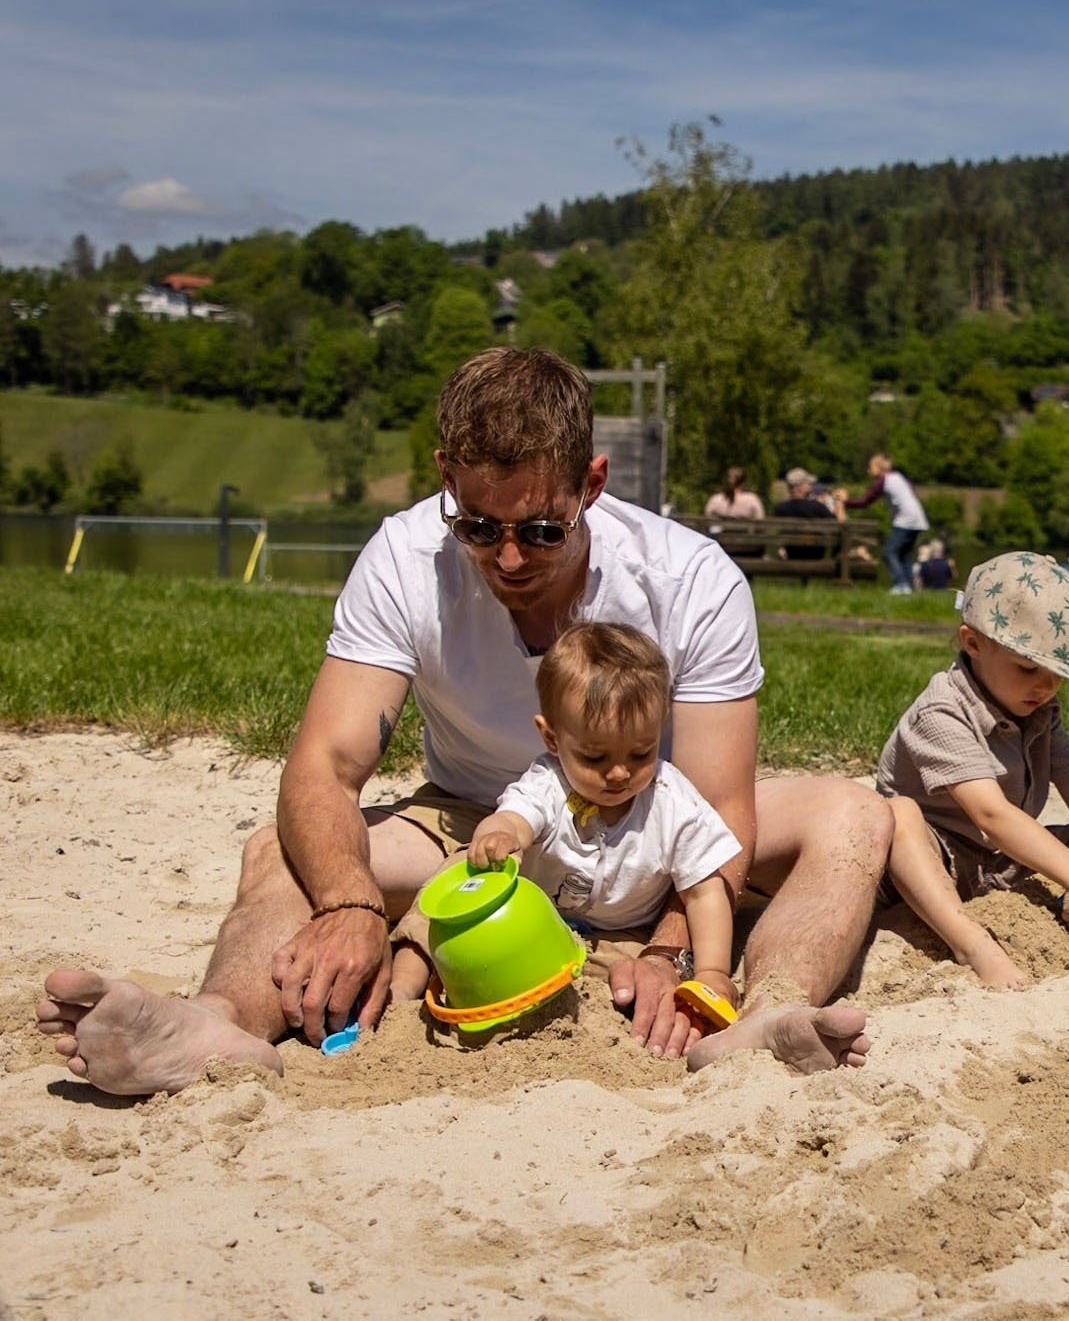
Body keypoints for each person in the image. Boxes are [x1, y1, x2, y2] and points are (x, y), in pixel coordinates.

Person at [40, 347, 886, 1095]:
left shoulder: (691, 578)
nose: (510, 557)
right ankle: (216, 1023)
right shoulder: (404, 559)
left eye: (543, 529)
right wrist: (352, 904)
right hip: (479, 823)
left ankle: (771, 1016)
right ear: (446, 476)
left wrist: (671, 951)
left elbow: (720, 807)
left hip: (655, 822)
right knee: (283, 851)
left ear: (592, 484)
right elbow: (323, 768)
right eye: (479, 526)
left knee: (854, 816)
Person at [388, 622, 741, 1026]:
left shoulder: (671, 799)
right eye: (595, 758)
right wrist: (501, 835)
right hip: (531, 921)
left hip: (623, 934)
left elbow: (704, 891)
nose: (620, 774)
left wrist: (713, 972)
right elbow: (516, 817)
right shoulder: (549, 782)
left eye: (641, 753)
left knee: (623, 981)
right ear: (552, 739)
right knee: (457, 873)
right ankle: (403, 988)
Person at [876, 551, 1069, 988]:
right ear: (974, 643)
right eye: (1028, 668)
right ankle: (972, 944)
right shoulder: (942, 712)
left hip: (995, 863)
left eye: (1058, 674)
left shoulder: (1039, 712)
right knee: (898, 818)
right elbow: (991, 816)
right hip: (929, 862)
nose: (1045, 685)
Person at [846, 453, 928, 594]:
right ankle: (910, 587)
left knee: (888, 552)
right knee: (904, 555)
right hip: (918, 519)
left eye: (870, 467)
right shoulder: (899, 477)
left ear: (878, 468)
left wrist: (845, 501)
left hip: (905, 520)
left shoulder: (885, 480)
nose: (868, 471)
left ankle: (901, 584)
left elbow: (865, 502)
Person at [772, 467, 837, 562]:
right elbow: (836, 524)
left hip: (792, 554)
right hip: (815, 555)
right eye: (808, 483)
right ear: (800, 486)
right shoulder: (817, 507)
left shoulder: (780, 508)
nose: (810, 485)